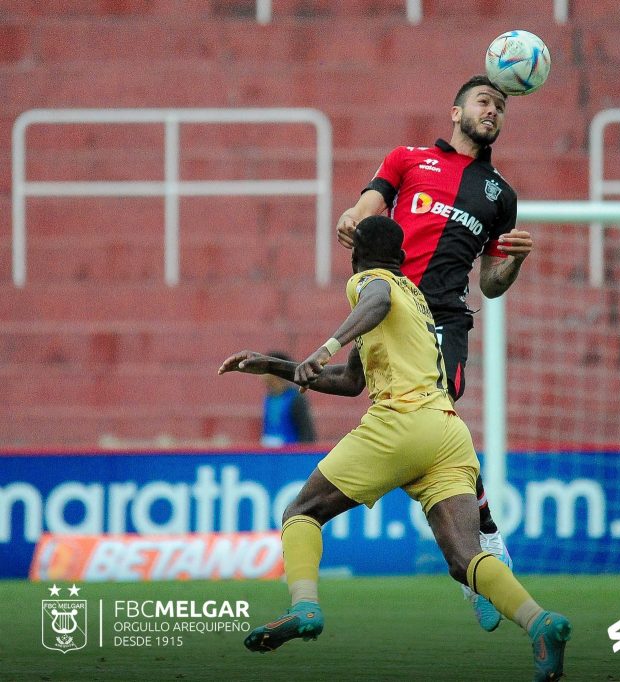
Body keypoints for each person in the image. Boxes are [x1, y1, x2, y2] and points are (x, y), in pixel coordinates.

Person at [217, 216, 570, 681]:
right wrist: (274, 366)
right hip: (446, 432)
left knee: (300, 512)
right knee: (464, 558)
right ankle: (539, 621)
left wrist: (323, 347)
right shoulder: (417, 301)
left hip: (398, 423)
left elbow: (374, 299)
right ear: (402, 257)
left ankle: (305, 607)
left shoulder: (372, 283)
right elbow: (349, 381)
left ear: (354, 257)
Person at [335, 74, 531, 631]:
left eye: (500, 107)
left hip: (443, 319)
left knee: (436, 422)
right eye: (484, 102)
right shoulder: (407, 159)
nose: (492, 111)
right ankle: (479, 548)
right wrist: (355, 215)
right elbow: (369, 204)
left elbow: (491, 283)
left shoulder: (500, 196)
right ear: (456, 111)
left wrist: (512, 261)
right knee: (421, 437)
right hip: (389, 308)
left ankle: (482, 551)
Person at [259, 351, 317, 447]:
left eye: (264, 369)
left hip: (290, 453)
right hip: (270, 454)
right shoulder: (269, 398)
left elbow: (307, 433)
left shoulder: (296, 398)